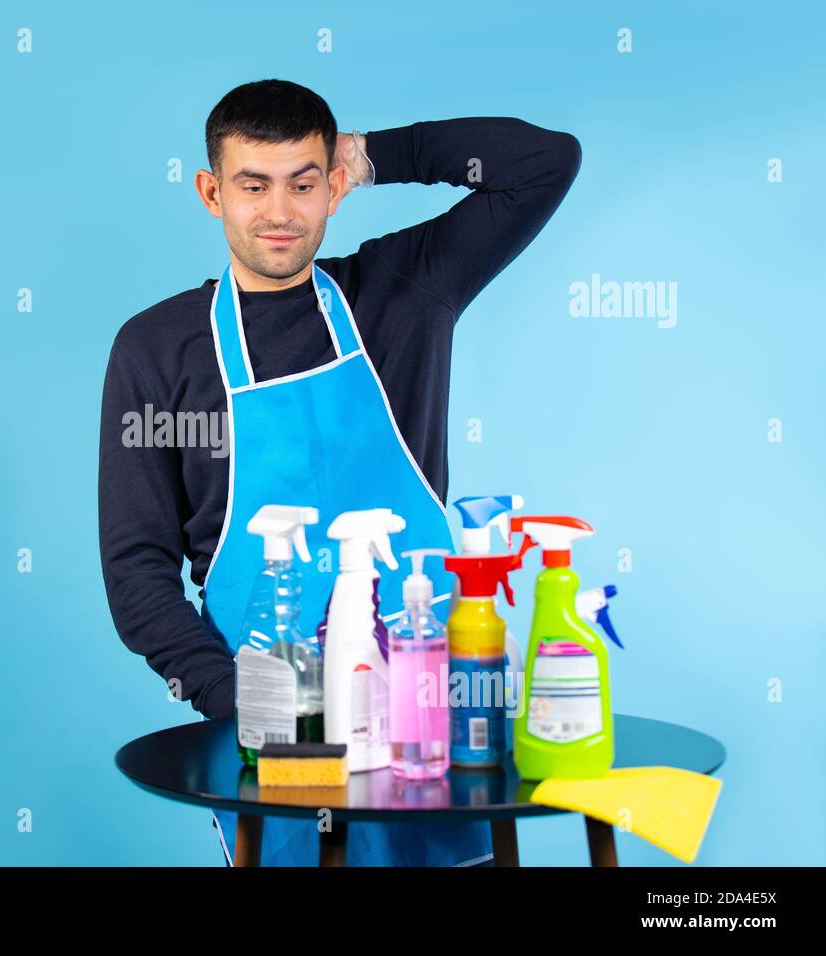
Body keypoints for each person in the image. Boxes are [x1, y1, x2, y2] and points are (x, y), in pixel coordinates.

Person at [98, 79, 580, 865]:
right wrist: (242, 707)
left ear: (333, 186)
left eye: (304, 182)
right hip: (274, 732)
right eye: (253, 186)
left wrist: (377, 154)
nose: (281, 212)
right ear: (211, 192)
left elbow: (546, 162)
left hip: (431, 713)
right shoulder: (156, 350)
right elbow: (135, 569)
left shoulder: (405, 293)